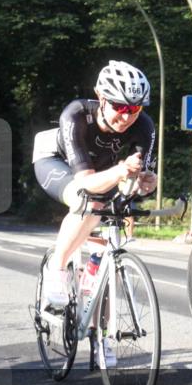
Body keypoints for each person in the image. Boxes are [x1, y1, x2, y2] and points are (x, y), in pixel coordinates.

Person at [32, 61, 157, 362]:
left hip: (105, 171)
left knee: (109, 248)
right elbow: (87, 182)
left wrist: (146, 183)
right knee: (87, 201)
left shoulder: (144, 126)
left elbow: (137, 180)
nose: (127, 116)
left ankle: (101, 335)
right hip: (56, 162)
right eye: (119, 107)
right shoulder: (76, 115)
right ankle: (57, 268)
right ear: (101, 97)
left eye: (135, 109)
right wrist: (121, 172)